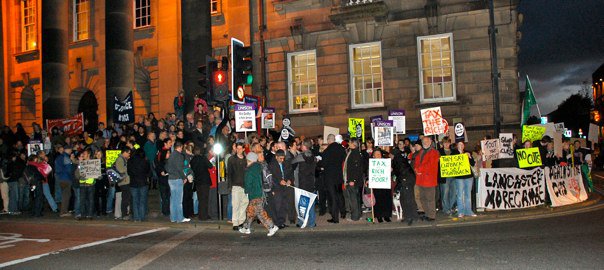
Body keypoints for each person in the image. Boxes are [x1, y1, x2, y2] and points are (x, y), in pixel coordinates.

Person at [239, 152, 279, 237]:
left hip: (254, 194)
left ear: (248, 160)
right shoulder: (259, 167)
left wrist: (246, 191)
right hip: (261, 192)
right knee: (250, 211)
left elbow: (248, 183)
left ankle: (272, 227)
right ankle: (247, 228)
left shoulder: (249, 170)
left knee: (260, 213)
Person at [411, 136, 440, 221]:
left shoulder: (434, 152)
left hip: (429, 179)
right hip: (420, 178)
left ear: (430, 142)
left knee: (430, 198)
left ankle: (431, 215)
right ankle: (427, 213)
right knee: (422, 198)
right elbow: (416, 162)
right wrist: (416, 169)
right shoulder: (421, 152)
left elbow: (430, 164)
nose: (425, 143)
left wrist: (419, 170)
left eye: (427, 141)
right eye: (423, 141)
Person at [291, 139, 318, 227]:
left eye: (302, 145)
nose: (300, 146)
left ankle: (301, 222)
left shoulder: (300, 157)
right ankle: (312, 223)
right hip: (311, 183)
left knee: (302, 204)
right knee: (311, 204)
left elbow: (291, 164)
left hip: (302, 183)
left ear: (305, 146)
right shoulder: (314, 157)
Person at [321, 134, 346, 223]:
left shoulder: (327, 151)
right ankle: (343, 213)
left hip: (330, 177)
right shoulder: (341, 148)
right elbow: (343, 159)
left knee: (333, 197)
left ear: (328, 140)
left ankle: (335, 218)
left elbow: (323, 164)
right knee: (340, 195)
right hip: (339, 176)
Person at [165, 141, 190, 223]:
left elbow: (166, 167)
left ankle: (173, 218)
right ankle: (180, 218)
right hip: (177, 178)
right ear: (180, 147)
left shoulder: (171, 155)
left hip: (171, 179)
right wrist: (184, 177)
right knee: (179, 200)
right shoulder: (179, 156)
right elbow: (180, 168)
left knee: (173, 199)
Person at [392, 145, 418, 226]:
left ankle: (411, 216)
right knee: (403, 198)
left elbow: (402, 172)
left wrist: (402, 182)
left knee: (408, 198)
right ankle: (408, 216)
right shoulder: (399, 159)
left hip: (406, 180)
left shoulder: (398, 160)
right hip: (406, 179)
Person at [269, 150, 294, 229]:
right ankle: (276, 223)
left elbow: (290, 173)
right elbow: (271, 178)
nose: (282, 160)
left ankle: (282, 222)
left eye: (283, 158)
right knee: (277, 206)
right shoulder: (272, 165)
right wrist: (279, 181)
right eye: (280, 158)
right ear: (276, 157)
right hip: (276, 188)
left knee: (284, 205)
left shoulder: (286, 163)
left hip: (285, 187)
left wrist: (290, 180)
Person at [227, 142, 249, 230]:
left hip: (244, 185)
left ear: (243, 149)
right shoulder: (231, 159)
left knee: (244, 203)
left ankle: (241, 221)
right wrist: (230, 186)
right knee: (235, 204)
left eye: (240, 148)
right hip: (235, 185)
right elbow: (229, 173)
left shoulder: (246, 160)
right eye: (237, 148)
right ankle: (235, 223)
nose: (239, 150)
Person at [452, 141, 476, 218]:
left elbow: (472, 163)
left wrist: (469, 157)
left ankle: (468, 211)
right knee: (459, 195)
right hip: (459, 177)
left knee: (468, 194)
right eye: (459, 144)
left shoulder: (468, 152)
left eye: (462, 144)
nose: (461, 146)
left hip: (468, 176)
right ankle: (461, 211)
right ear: (457, 146)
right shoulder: (454, 153)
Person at [190, 146, 214, 221]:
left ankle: (201, 215)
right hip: (205, 180)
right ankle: (204, 216)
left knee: (200, 199)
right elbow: (210, 166)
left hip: (197, 181)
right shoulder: (203, 158)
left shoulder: (192, 160)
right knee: (205, 199)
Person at [343, 138, 363, 221]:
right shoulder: (354, 152)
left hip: (353, 181)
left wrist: (352, 180)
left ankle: (354, 217)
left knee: (353, 199)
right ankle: (358, 215)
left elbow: (356, 168)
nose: (348, 144)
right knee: (356, 198)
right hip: (355, 180)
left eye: (350, 142)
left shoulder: (355, 154)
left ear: (353, 144)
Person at [128, 148, 151, 222]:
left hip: (133, 183)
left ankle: (136, 217)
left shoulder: (130, 161)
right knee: (142, 200)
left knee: (135, 200)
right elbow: (149, 172)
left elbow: (129, 172)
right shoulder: (145, 161)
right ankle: (141, 217)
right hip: (143, 182)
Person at [372, 148, 392, 223]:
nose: (378, 155)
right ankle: (379, 216)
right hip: (376, 183)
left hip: (385, 183)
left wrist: (390, 169)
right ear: (373, 156)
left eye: (379, 154)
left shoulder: (385, 162)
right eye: (376, 154)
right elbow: (369, 172)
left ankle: (386, 215)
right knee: (378, 200)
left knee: (386, 199)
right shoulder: (372, 163)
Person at [437, 137, 456, 215]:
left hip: (454, 175)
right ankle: (446, 208)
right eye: (445, 143)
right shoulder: (439, 152)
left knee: (454, 192)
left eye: (448, 142)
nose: (446, 144)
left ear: (450, 143)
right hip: (444, 176)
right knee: (445, 192)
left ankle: (451, 207)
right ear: (442, 144)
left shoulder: (454, 151)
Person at [75, 149, 95, 220]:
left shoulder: (93, 163)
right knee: (82, 200)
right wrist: (79, 164)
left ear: (88, 154)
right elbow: (77, 174)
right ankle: (83, 214)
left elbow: (96, 173)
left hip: (90, 184)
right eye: (83, 154)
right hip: (82, 184)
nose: (83, 155)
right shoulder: (81, 163)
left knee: (90, 200)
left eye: (85, 153)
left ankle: (89, 214)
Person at [56, 145, 75, 217]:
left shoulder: (59, 157)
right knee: (66, 195)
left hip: (60, 178)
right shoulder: (66, 157)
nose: (71, 151)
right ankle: (63, 212)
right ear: (68, 149)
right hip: (66, 178)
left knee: (64, 195)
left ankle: (63, 211)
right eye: (70, 150)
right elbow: (69, 169)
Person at [115, 147, 132, 220]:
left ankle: (126, 213)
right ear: (125, 152)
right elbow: (121, 170)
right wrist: (129, 167)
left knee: (126, 198)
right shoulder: (120, 159)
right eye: (128, 153)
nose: (129, 155)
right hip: (124, 182)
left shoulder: (123, 159)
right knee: (125, 198)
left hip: (125, 181)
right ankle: (124, 214)